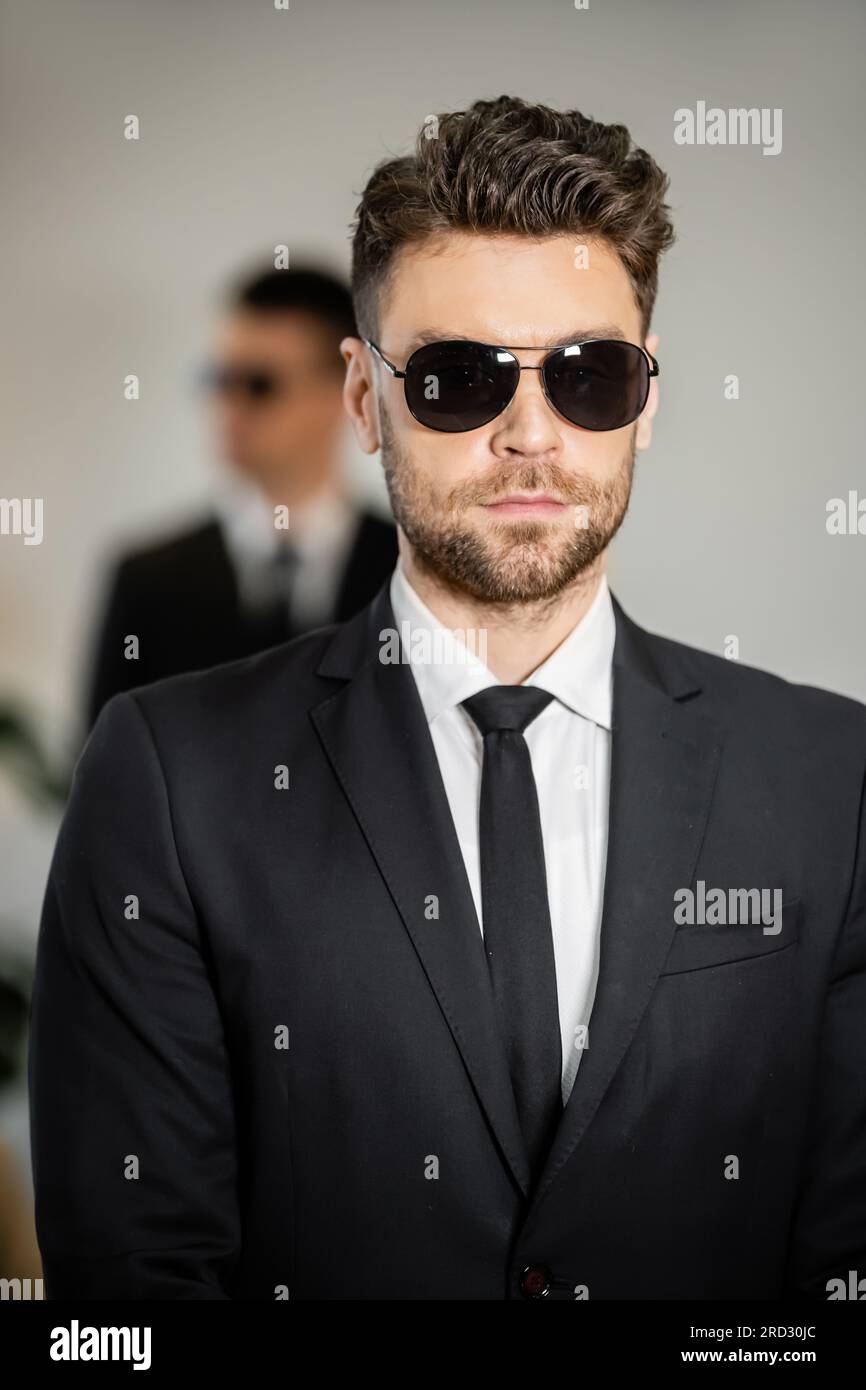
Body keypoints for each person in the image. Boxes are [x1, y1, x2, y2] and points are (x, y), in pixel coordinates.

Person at [30, 96, 866, 1300]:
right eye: (460, 378)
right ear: (365, 400)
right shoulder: (168, 777)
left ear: (647, 401)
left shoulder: (829, 778)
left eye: (589, 374)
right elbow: (132, 1293)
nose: (529, 433)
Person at [85, 266, 397, 727]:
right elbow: (103, 774)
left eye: (258, 384)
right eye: (218, 380)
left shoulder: (409, 569)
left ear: (349, 391)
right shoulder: (146, 581)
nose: (229, 406)